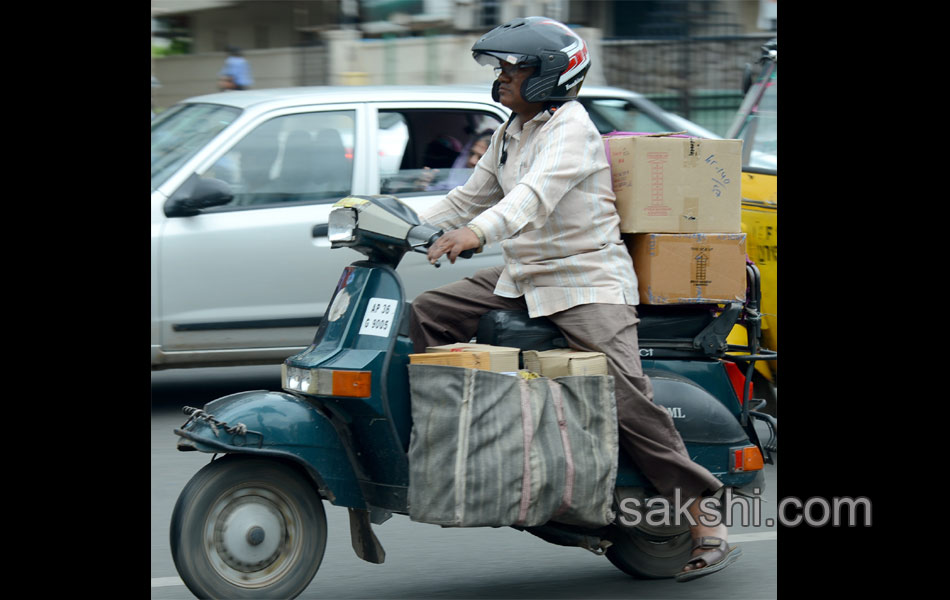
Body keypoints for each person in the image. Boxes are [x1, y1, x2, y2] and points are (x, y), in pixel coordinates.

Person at [408, 16, 741, 583]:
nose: (503, 78)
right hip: (523, 277)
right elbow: (464, 199)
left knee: (624, 394)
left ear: (552, 77)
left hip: (586, 281)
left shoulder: (572, 129)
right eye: (501, 69)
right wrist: (384, 220)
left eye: (515, 68)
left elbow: (532, 200)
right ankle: (467, 447)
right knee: (428, 315)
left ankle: (704, 514)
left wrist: (475, 235)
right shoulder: (513, 131)